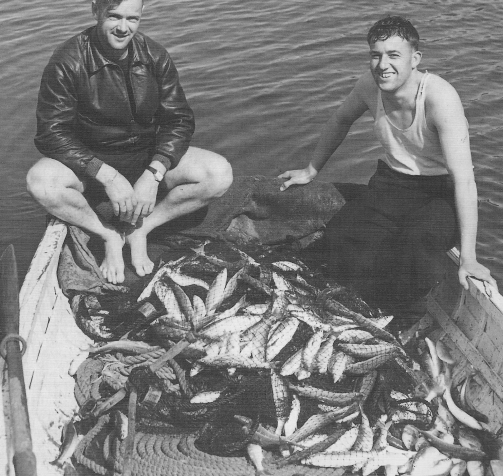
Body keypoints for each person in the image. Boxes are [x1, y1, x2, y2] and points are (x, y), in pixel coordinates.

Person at [278, 15, 496, 314]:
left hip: (440, 192)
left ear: (415, 59)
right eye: (375, 55)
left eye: (394, 55)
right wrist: (311, 170)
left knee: (414, 245)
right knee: (341, 236)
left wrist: (469, 257)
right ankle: (351, 306)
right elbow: (340, 120)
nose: (383, 65)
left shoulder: (440, 98)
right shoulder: (369, 85)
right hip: (393, 183)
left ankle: (395, 313)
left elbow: (465, 181)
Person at [27, 0, 233, 284]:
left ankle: (142, 228)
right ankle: (108, 233)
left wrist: (155, 172)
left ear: (141, 17)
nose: (123, 28)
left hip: (145, 156)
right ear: (96, 11)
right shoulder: (67, 60)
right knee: (40, 181)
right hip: (90, 162)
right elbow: (51, 133)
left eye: (132, 19)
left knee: (218, 173)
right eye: (114, 17)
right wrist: (107, 175)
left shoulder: (155, 55)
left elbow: (179, 121)